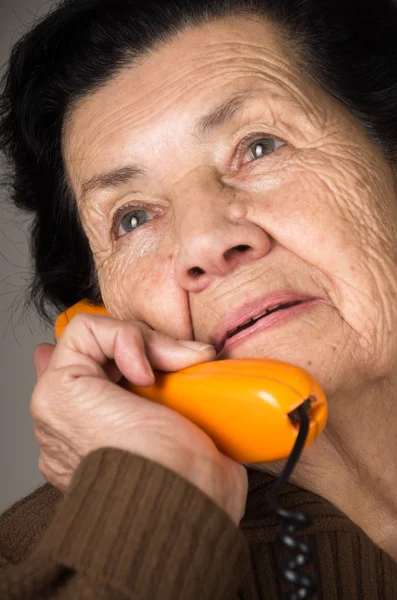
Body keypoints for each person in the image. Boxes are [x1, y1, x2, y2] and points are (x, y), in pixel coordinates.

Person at [1, 0, 397, 597]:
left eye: (260, 146)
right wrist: (150, 514)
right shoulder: (36, 564)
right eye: (132, 218)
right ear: (103, 310)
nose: (206, 242)